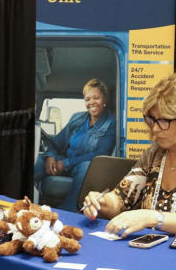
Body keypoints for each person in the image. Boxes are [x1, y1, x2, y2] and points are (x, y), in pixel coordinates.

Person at [82, 72, 176, 245]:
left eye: (163, 120)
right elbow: (120, 199)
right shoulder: (154, 155)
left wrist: (153, 218)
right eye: (152, 119)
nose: (155, 128)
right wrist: (101, 202)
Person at [35, 79, 116, 211]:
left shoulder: (111, 123)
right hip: (65, 161)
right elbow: (56, 142)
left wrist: (66, 164)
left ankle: (68, 212)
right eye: (87, 99)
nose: (91, 102)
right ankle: (17, 201)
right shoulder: (77, 118)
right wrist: (50, 157)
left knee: (87, 166)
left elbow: (101, 155)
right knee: (38, 161)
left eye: (96, 98)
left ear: (104, 99)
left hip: (82, 168)